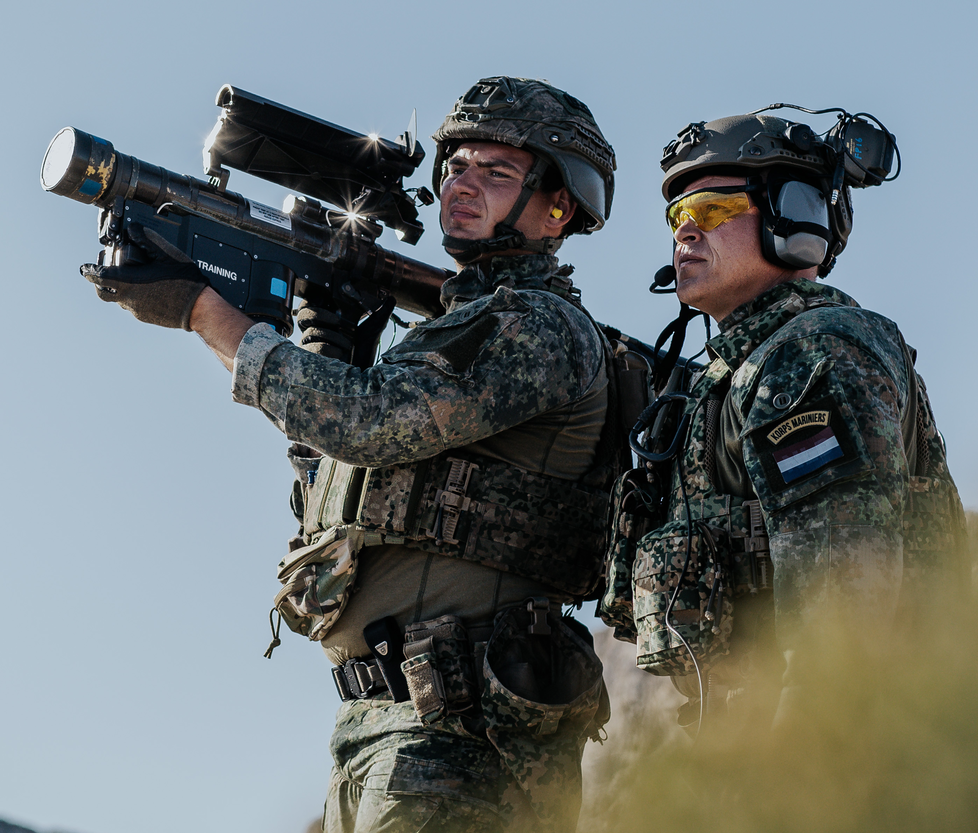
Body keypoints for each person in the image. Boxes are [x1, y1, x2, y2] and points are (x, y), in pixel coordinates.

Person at [81, 76, 622, 832]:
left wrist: (206, 313)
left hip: (459, 738)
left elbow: (368, 422)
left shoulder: (536, 326)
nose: (461, 185)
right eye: (455, 167)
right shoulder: (453, 329)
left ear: (559, 206)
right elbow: (345, 481)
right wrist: (321, 348)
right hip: (378, 726)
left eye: (496, 172)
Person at [599, 109, 968, 733]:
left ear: (792, 217)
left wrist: (800, 773)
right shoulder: (736, 372)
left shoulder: (812, 350)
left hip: (827, 742)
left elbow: (843, 605)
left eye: (712, 209)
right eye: (675, 217)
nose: (685, 232)